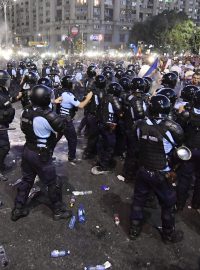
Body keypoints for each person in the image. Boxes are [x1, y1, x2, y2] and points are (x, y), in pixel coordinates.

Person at [11, 84, 72, 221]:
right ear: (43, 99)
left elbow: (24, 127)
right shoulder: (46, 115)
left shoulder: (25, 111)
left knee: (27, 180)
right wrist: (66, 119)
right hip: (41, 154)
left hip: (27, 150)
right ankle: (58, 210)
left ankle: (18, 209)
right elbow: (61, 127)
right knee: (53, 182)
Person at [130, 94, 184, 243]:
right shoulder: (173, 127)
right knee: (167, 205)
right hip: (162, 173)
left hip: (143, 170)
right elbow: (180, 148)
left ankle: (134, 229)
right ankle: (167, 234)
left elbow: (135, 144)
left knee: (138, 200)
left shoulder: (139, 124)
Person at [56, 75, 93, 164]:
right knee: (73, 139)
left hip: (59, 119)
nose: (73, 84)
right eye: (72, 83)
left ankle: (47, 154)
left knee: (56, 138)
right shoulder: (68, 95)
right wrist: (88, 97)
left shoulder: (61, 92)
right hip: (66, 121)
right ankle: (71, 157)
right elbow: (81, 105)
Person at [0, 70, 15, 181]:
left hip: (3, 124)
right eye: (7, 79)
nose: (9, 81)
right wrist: (7, 113)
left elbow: (6, 103)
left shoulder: (3, 91)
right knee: (4, 147)